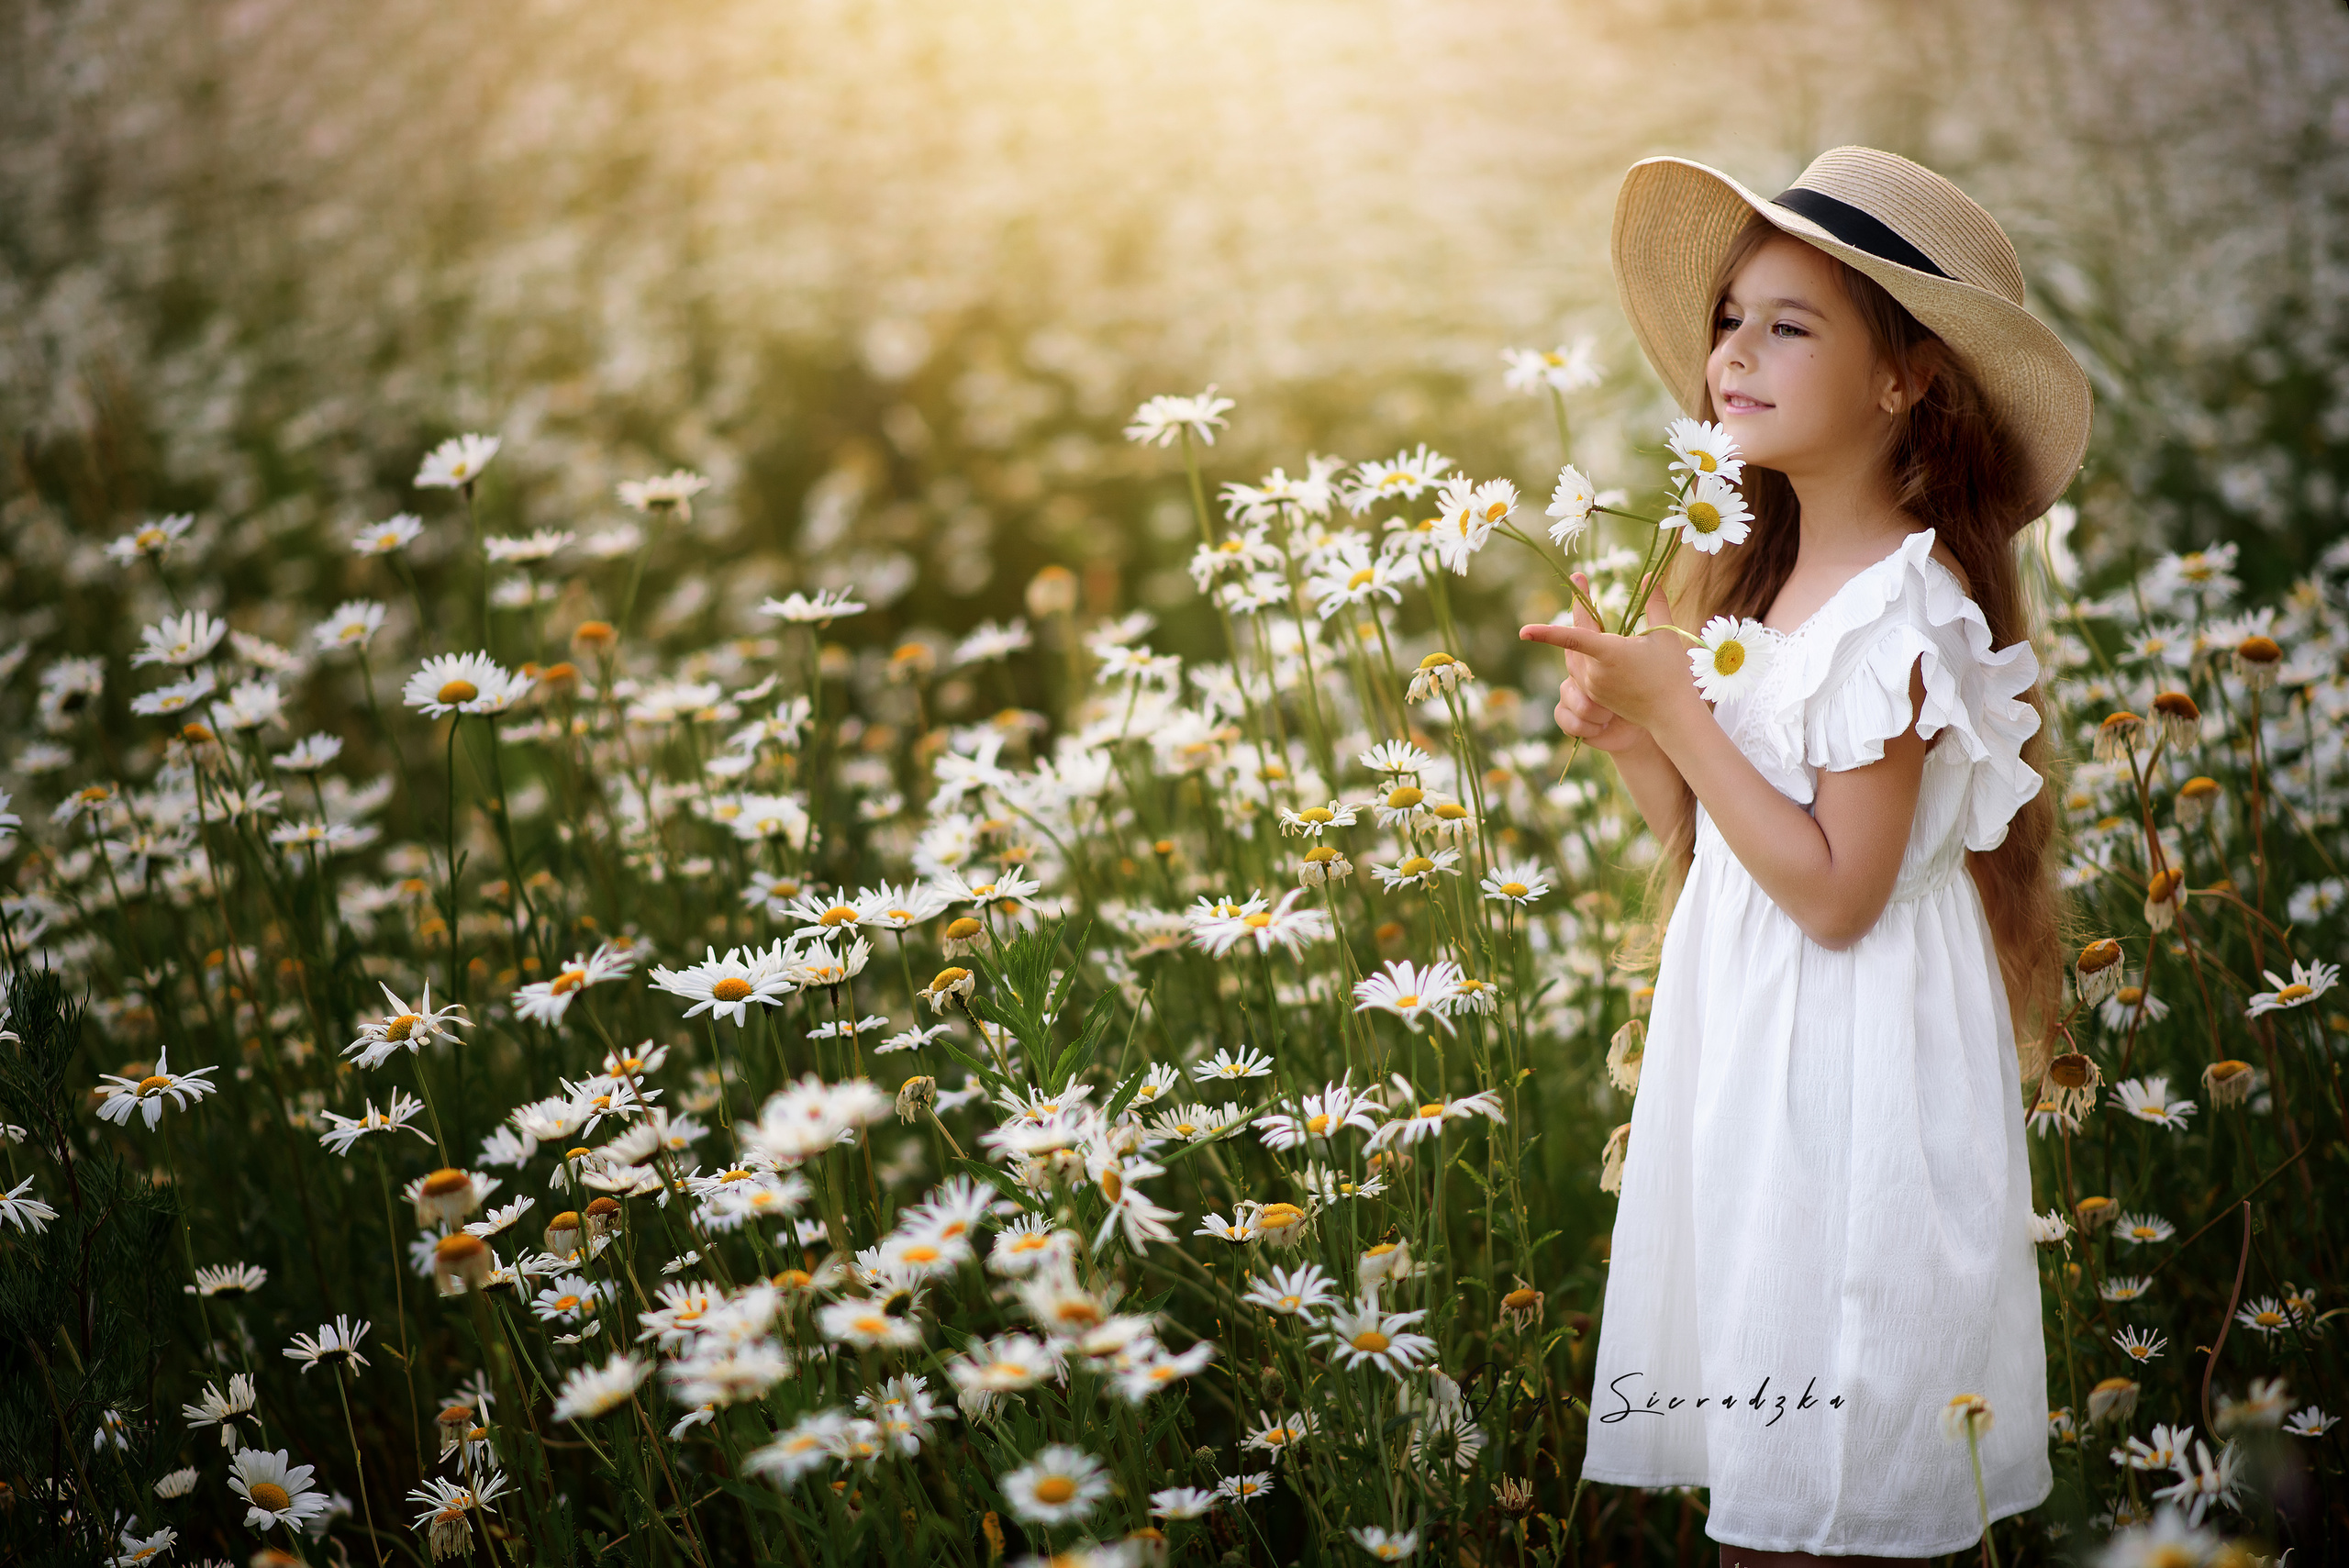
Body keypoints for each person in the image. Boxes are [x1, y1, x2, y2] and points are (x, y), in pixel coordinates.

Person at [1520, 147, 2090, 1563]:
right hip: (1760, 1077)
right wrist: (1641, 734)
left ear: (1906, 378)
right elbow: (1730, 861)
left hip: (1856, 1095)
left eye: (1792, 324)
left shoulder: (1905, 607)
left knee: (1840, 1489)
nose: (1735, 355)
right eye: (1729, 318)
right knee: (1765, 1498)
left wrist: (1681, 713)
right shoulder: (1763, 585)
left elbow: (1838, 895)